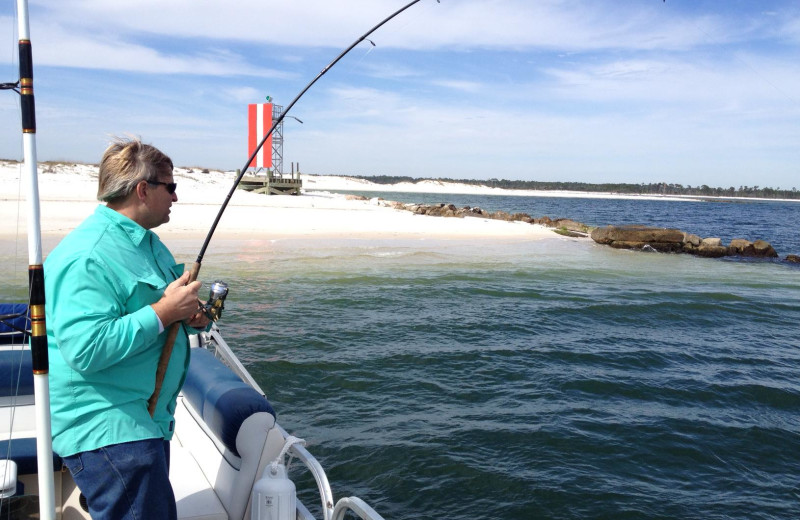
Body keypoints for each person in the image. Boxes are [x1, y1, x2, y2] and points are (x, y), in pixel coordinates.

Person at [45, 137, 209, 519]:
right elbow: (86, 349)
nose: (176, 197)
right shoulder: (88, 255)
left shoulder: (149, 245)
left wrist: (188, 314)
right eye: (171, 187)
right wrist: (165, 312)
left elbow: (158, 309)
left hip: (146, 419)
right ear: (142, 189)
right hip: (109, 426)